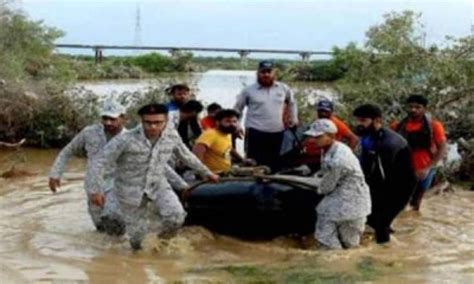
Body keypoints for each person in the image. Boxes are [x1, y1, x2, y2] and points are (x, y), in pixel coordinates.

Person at [88, 103, 219, 250]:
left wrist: (207, 173)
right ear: (141, 121)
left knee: (175, 216)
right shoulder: (125, 140)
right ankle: (135, 257)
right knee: (137, 239)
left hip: (158, 184)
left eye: (158, 122)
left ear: (166, 120)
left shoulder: (171, 136)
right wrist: (95, 190)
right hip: (129, 189)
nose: (153, 127)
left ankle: (162, 243)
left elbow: (186, 156)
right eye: (148, 123)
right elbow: (99, 163)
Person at [49, 100, 128, 235]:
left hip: (116, 183)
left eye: (113, 119)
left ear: (124, 119)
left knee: (113, 218)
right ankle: (107, 252)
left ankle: (121, 252)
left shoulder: (130, 138)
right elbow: (68, 151)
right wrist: (55, 173)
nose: (108, 122)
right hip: (92, 184)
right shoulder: (89, 133)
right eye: (105, 118)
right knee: (100, 227)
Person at [353, 104, 416, 243]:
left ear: (377, 121)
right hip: (381, 183)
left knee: (380, 223)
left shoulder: (388, 144)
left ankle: (385, 259)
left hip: (400, 187)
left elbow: (380, 176)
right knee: (371, 218)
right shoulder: (368, 136)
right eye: (358, 120)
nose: (359, 124)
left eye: (363, 120)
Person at [304, 119, 371, 249]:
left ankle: (333, 265)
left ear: (331, 136)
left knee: (325, 239)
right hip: (357, 201)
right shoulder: (334, 148)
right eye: (313, 137)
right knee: (351, 244)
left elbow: (326, 187)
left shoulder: (338, 159)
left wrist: (315, 187)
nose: (314, 140)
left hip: (346, 200)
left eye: (318, 137)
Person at [234, 60, 298, 171]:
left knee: (274, 163)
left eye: (269, 72)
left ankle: (271, 184)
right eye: (263, 72)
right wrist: (237, 125)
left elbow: (292, 103)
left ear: (274, 73)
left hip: (277, 132)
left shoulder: (283, 88)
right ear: (257, 73)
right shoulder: (248, 90)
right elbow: (237, 109)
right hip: (255, 131)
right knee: (253, 162)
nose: (266, 75)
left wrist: (294, 118)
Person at [391, 94, 447, 211]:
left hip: (424, 168)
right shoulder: (397, 126)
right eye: (410, 107)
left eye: (418, 107)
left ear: (424, 108)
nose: (413, 110)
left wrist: (428, 168)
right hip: (403, 169)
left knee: (416, 204)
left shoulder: (434, 126)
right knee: (398, 202)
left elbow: (442, 149)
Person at [193, 109, 247, 175]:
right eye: (228, 121)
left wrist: (242, 160)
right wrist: (202, 172)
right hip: (213, 176)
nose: (232, 124)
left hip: (226, 172)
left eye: (234, 121)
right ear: (217, 122)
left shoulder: (227, 133)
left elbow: (229, 148)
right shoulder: (210, 134)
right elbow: (197, 151)